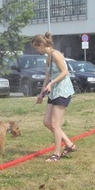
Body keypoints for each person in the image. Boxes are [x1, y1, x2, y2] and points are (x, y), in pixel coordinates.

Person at [31, 32, 77, 162]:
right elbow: (47, 75)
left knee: (55, 124)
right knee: (47, 122)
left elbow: (65, 72)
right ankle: (69, 144)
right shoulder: (48, 57)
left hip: (62, 91)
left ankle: (56, 154)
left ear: (41, 45)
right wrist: (41, 94)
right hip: (54, 91)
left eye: (36, 48)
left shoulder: (56, 54)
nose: (36, 50)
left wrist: (51, 83)